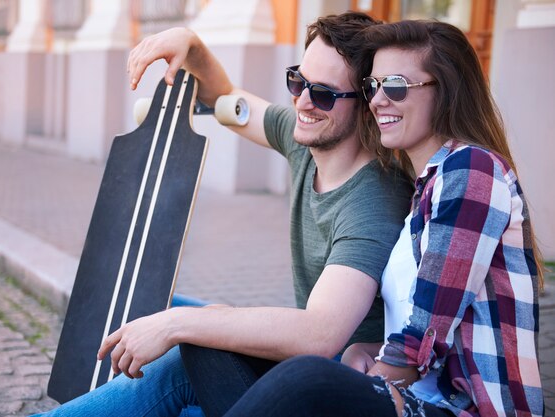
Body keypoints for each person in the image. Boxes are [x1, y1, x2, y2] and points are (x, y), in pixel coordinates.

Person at [32, 12, 413, 417]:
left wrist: (180, 324)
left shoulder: (373, 201)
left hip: (328, 388)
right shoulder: (306, 140)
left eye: (322, 94)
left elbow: (319, 333)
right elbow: (223, 97)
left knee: (185, 349)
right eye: (297, 81)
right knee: (150, 302)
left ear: (367, 105)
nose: (302, 101)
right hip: (301, 364)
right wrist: (190, 43)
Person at [215, 19, 545, 417]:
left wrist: (367, 377)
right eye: (373, 86)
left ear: (446, 92)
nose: (378, 101)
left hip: (463, 408)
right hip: (421, 394)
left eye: (396, 86)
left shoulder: (471, 171)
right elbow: (435, 332)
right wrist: (364, 350)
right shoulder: (425, 186)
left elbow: (427, 332)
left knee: (306, 377)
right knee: (211, 351)